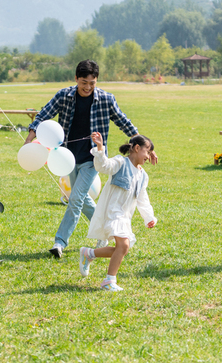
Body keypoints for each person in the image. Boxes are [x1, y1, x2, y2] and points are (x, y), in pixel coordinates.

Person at [25, 59, 156, 258]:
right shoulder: (63, 96)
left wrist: (147, 146)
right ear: (76, 79)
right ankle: (104, 234)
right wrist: (30, 137)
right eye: (84, 82)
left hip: (93, 158)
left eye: (92, 83)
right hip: (67, 156)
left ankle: (59, 242)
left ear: (97, 81)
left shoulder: (106, 99)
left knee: (75, 199)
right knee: (82, 198)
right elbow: (44, 114)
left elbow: (124, 122)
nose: (88, 87)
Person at [78, 132, 157, 291]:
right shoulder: (120, 162)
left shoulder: (143, 175)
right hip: (112, 212)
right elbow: (103, 166)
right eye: (147, 151)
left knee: (122, 248)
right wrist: (100, 148)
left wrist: (149, 216)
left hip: (125, 216)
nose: (148, 156)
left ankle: (89, 253)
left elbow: (142, 198)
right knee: (124, 245)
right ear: (136, 148)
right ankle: (109, 281)